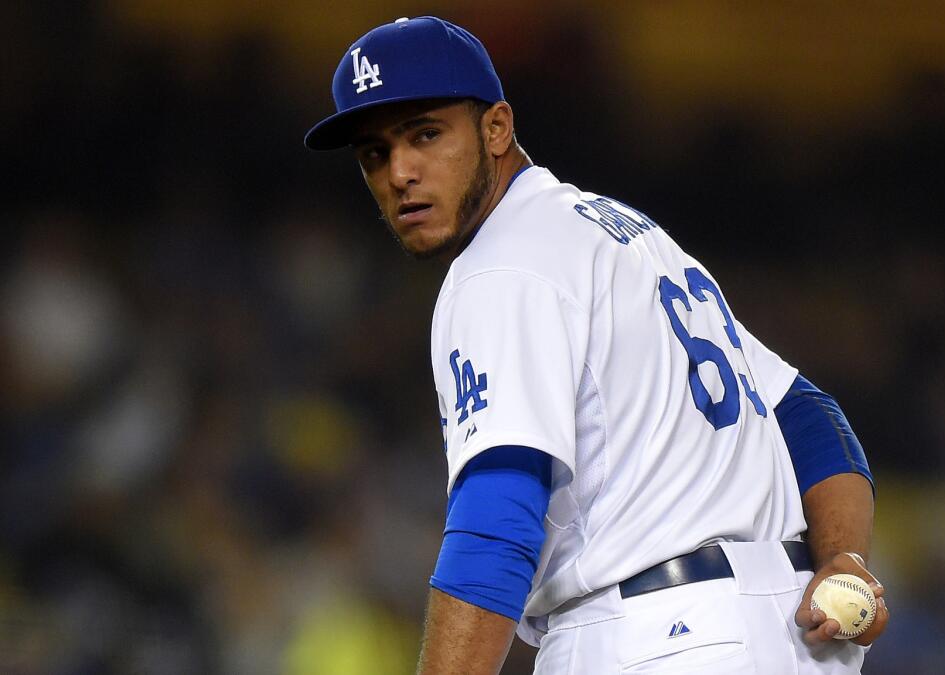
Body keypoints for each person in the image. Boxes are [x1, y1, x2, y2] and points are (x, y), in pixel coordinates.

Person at [305, 16, 889, 674]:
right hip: (794, 638)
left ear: (496, 128)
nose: (400, 172)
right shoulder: (624, 234)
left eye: (425, 134)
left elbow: (496, 526)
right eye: (373, 154)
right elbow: (807, 412)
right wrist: (846, 556)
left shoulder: (500, 267)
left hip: (659, 639)